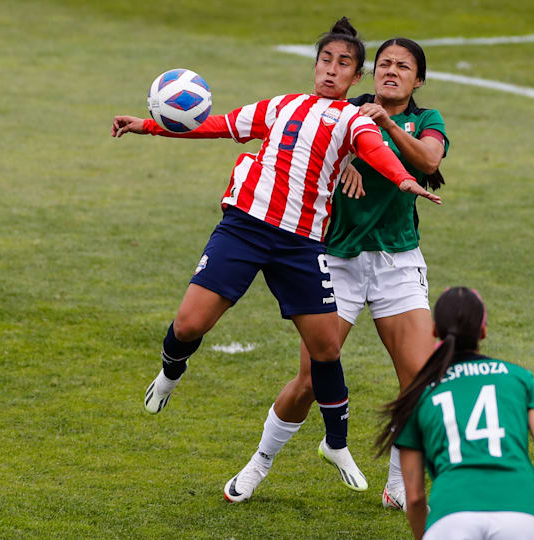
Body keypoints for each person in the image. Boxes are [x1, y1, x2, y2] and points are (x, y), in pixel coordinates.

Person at [111, 17, 440, 497]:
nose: (332, 70)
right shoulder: (295, 107)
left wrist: (400, 175)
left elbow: (399, 152)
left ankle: (381, 470)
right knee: (209, 334)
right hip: (292, 242)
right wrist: (149, 125)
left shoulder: (380, 121)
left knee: (383, 369)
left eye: (344, 63)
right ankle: (230, 436)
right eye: (326, 60)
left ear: (358, 76)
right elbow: (221, 126)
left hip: (348, 254)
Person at [224, 37, 448, 506]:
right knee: (310, 379)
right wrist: (349, 155)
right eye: (384, 63)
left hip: (397, 262)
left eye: (403, 67)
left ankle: (396, 486)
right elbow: (312, 144)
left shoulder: (425, 121)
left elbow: (428, 162)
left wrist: (385, 126)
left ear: (418, 80)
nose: (391, 71)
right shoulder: (344, 113)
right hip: (337, 260)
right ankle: (257, 465)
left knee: (418, 379)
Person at [376, 287, 534, 540]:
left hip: (451, 515)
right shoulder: (519, 378)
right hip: (520, 513)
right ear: (483, 331)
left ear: (435, 332)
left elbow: (414, 497)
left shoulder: (419, 394)